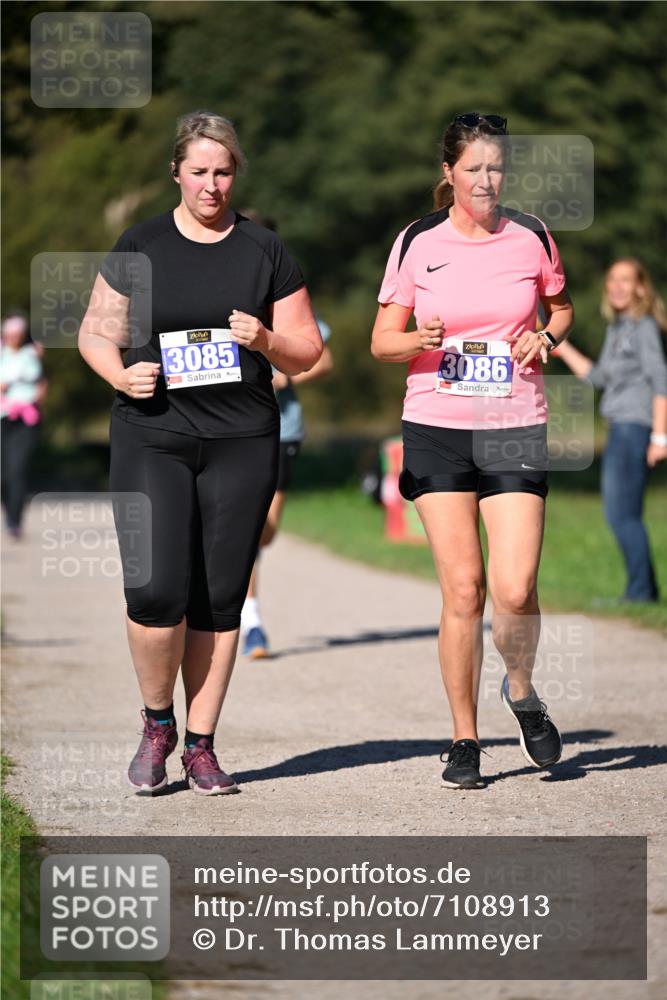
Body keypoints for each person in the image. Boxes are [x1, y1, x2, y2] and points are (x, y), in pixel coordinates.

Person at [78, 110, 322, 795]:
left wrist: (266, 342)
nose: (211, 185)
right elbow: (97, 334)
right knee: (156, 590)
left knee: (218, 598)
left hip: (241, 440)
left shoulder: (264, 252)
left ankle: (203, 745)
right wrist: (120, 374)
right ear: (176, 173)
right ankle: (158, 725)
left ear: (234, 173)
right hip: (151, 433)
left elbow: (308, 351)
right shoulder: (142, 243)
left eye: (222, 172)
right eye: (198, 172)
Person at [371, 112, 575, 789]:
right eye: (474, 169)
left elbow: (561, 309)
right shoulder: (416, 241)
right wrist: (420, 338)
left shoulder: (531, 237)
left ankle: (520, 691)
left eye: (495, 168)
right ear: (448, 175)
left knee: (514, 589)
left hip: (515, 420)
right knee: (463, 589)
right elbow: (381, 342)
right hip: (436, 423)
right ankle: (463, 738)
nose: (486, 180)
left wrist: (544, 339)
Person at [554, 258, 667, 602]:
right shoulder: (618, 328)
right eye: (612, 279)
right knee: (620, 512)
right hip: (620, 426)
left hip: (636, 427)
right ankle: (643, 590)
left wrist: (660, 437)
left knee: (622, 513)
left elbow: (661, 377)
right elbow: (600, 377)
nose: (617, 286)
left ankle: (640, 593)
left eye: (626, 280)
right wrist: (559, 346)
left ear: (641, 288)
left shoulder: (644, 326)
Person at [1, 311, 47, 540]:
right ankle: (8, 511)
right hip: (3, 417)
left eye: (17, 334)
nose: (13, 337)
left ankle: (14, 522)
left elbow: (42, 382)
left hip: (28, 418)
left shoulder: (33, 354)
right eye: (9, 334)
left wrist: (37, 398)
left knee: (17, 470)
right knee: (3, 474)